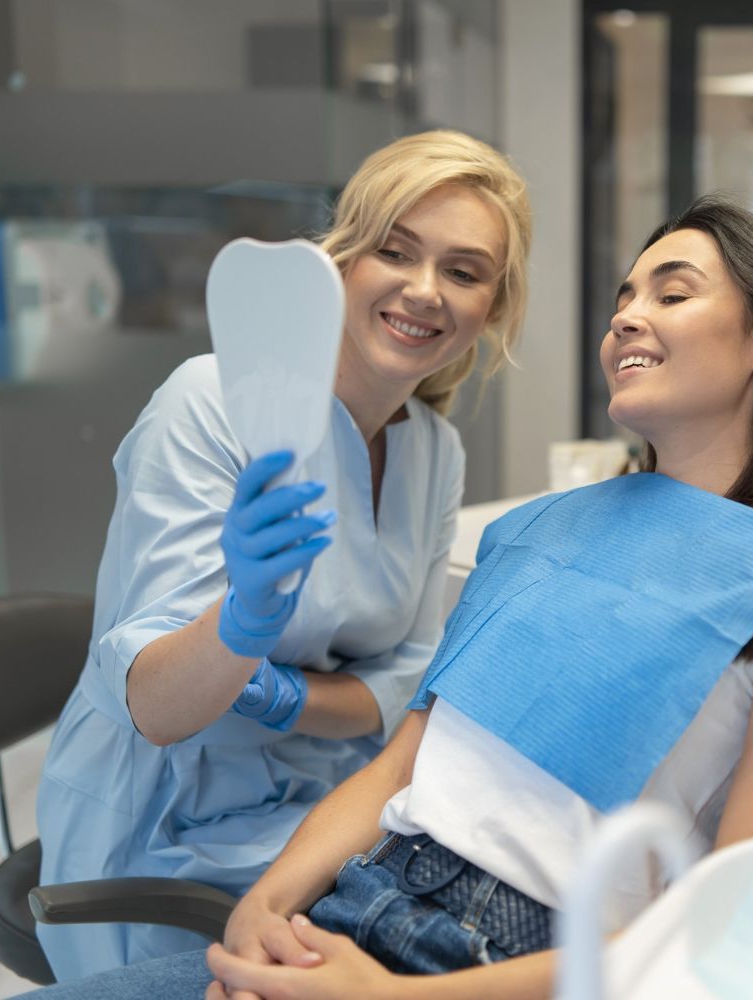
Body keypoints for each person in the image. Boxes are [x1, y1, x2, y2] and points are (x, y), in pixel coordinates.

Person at [26, 196, 753, 1000]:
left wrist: (393, 999)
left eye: (673, 294)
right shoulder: (538, 528)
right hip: (355, 899)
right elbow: (400, 768)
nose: (627, 314)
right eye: (625, 295)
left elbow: (732, 925)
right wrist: (266, 911)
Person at [34, 130, 532, 981]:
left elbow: (400, 683)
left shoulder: (434, 450)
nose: (424, 290)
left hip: (323, 809)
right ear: (338, 261)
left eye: (463, 270)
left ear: (494, 305)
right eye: (396, 251)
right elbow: (154, 703)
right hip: (164, 818)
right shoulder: (211, 404)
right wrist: (241, 624)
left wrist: (277, 695)